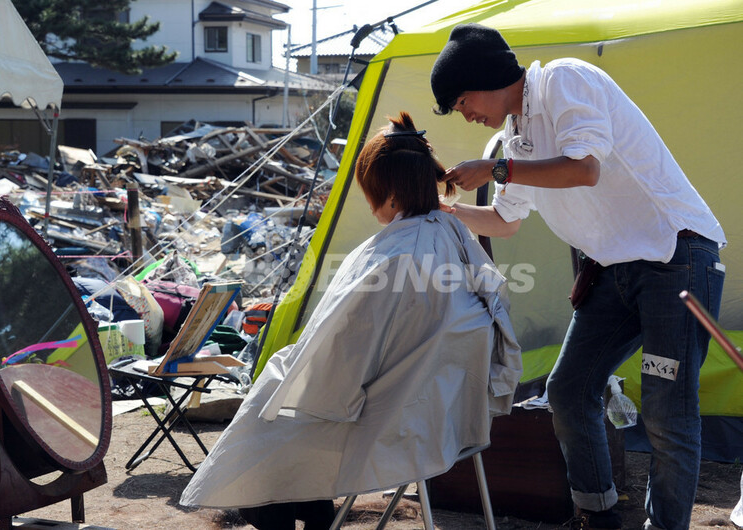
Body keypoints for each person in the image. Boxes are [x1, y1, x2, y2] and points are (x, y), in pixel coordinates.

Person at [430, 23, 726, 530]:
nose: (465, 113)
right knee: (568, 390)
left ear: (485, 78)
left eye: (461, 100)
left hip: (676, 258)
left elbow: (583, 167)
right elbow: (506, 220)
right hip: (614, 271)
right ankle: (599, 516)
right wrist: (438, 213)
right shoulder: (512, 138)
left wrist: (497, 170)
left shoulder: (565, 80)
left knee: (665, 411)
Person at [180, 112, 522, 529]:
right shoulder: (451, 234)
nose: (369, 201)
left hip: (393, 420)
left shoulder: (390, 258)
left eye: (370, 192)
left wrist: (292, 376)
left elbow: (334, 369)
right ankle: (312, 503)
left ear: (392, 196)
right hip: (446, 414)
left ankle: (294, 504)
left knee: (271, 412)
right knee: (286, 390)